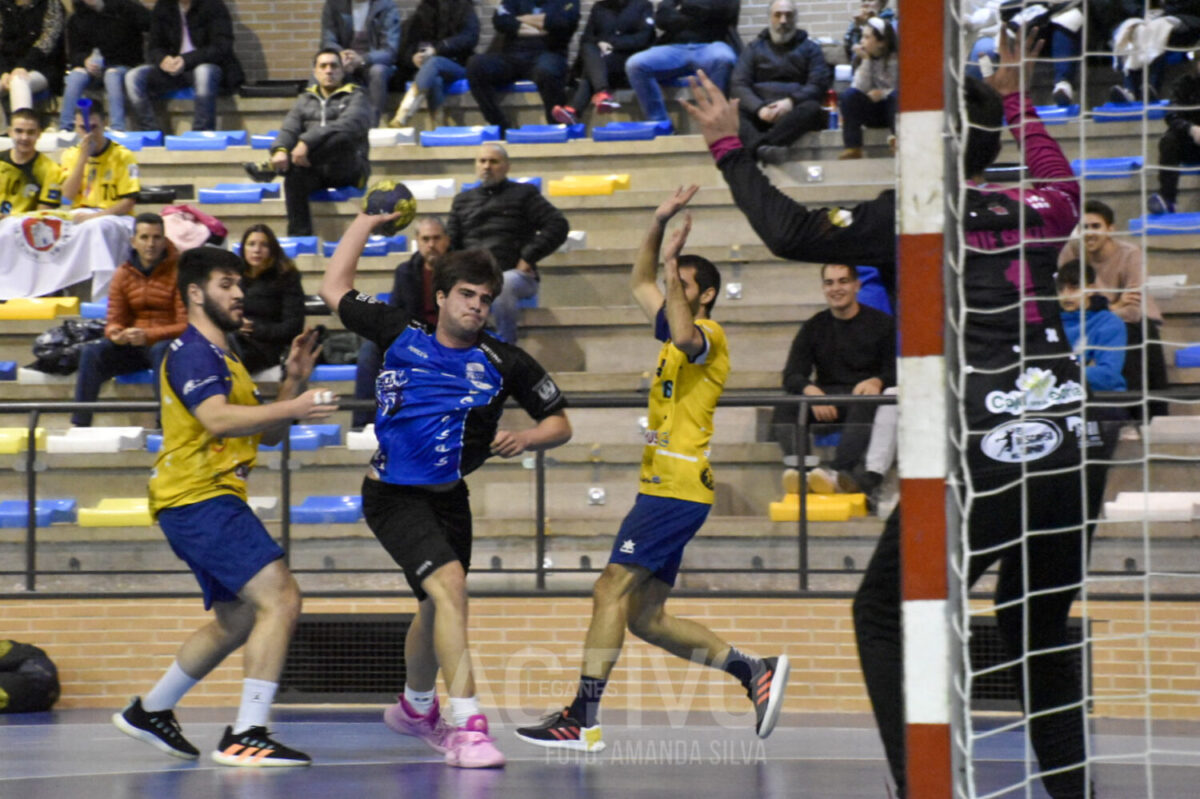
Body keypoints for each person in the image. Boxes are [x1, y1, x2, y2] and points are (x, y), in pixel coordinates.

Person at [682, 29, 1098, 797]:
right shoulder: (1044, 205)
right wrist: (1015, 100)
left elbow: (790, 232)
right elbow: (1056, 173)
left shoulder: (911, 214)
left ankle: (922, 785)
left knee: (880, 610)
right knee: (1035, 626)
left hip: (984, 448)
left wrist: (728, 149)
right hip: (1072, 446)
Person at [514, 186, 790, 752]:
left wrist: (671, 263)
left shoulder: (708, 336)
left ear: (706, 294)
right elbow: (639, 281)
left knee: (608, 588)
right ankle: (752, 670)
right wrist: (658, 224)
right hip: (667, 488)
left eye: (682, 285)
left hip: (677, 487)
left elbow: (685, 331)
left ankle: (581, 717)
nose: (669, 290)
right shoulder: (673, 328)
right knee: (646, 618)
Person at [319, 211, 572, 769]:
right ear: (441, 296)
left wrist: (528, 437)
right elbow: (332, 286)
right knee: (451, 588)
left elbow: (560, 423)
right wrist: (364, 221)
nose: (476, 306)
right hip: (392, 495)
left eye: (485, 298)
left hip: (450, 498)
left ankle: (415, 709)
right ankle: (468, 726)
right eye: (466, 294)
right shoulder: (399, 331)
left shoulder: (505, 362)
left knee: (435, 608)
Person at [112, 247, 336, 767]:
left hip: (202, 499)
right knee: (281, 597)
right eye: (226, 284)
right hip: (198, 496)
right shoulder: (191, 352)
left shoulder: (227, 359)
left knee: (237, 619)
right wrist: (298, 404)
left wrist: (293, 381)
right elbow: (216, 419)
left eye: (240, 285)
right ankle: (248, 733)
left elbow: (269, 433)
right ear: (195, 293)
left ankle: (151, 710)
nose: (240, 294)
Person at [780, 263, 895, 500]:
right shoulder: (814, 326)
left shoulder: (882, 323)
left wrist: (877, 381)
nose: (836, 288)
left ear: (857, 285)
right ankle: (803, 473)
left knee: (865, 400)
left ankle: (836, 472)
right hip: (827, 399)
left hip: (863, 399)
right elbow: (791, 374)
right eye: (829, 283)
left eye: (843, 281)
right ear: (823, 288)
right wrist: (811, 391)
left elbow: (896, 371)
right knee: (785, 408)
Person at [445, 143, 568, 343]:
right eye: (482, 161)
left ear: (507, 166)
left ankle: (506, 349)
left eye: (493, 161)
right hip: (472, 277)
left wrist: (528, 257)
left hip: (515, 275)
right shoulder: (462, 201)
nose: (487, 166)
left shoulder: (525, 194)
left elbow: (558, 225)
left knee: (504, 284)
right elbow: (451, 243)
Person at [1056, 198, 1168, 419]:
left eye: (1095, 226)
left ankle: (1140, 417)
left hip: (1134, 321)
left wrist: (1104, 309)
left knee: (1134, 333)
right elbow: (1068, 298)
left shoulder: (1130, 254)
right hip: (1091, 319)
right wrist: (1116, 304)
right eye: (1084, 227)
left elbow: (1133, 311)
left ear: (1110, 229)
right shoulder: (1071, 252)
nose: (1089, 233)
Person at [71, 213, 183, 427]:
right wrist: (116, 333)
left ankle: (166, 425)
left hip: (169, 345)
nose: (150, 244)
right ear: (133, 241)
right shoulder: (122, 274)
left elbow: (186, 325)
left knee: (162, 350)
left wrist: (147, 335)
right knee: (92, 352)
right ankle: (80, 424)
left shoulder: (181, 272)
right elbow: (115, 319)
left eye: (156, 237)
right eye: (144, 237)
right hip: (134, 345)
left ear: (164, 240)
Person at [252, 49, 371, 237]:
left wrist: (306, 142)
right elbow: (290, 128)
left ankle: (278, 169)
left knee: (342, 138)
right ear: (315, 72)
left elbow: (351, 125)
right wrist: (280, 150)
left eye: (334, 66)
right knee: (294, 178)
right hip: (313, 168)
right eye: (323, 66)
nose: (329, 71)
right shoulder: (305, 99)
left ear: (342, 71)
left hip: (347, 169)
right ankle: (300, 239)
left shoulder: (357, 95)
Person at [352, 215, 450, 429]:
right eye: (426, 239)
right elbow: (396, 313)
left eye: (436, 238)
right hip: (414, 336)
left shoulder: (460, 272)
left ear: (447, 240)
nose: (431, 245)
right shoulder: (405, 272)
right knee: (370, 350)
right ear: (417, 241)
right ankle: (362, 425)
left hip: (448, 338)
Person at [730, 0, 830, 165]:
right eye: (778, 15)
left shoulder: (811, 49)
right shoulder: (753, 48)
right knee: (734, 111)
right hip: (761, 111)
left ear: (795, 18)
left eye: (788, 15)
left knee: (813, 108)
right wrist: (759, 108)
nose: (783, 21)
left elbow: (818, 84)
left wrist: (790, 102)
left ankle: (761, 147)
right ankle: (766, 148)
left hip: (794, 112)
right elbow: (739, 84)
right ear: (770, 18)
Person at [125, 0, 244, 133]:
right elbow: (154, 47)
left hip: (208, 67)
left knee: (203, 72)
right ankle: (151, 132)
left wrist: (186, 60)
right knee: (133, 77)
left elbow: (222, 47)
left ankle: (201, 132)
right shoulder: (163, 7)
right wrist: (163, 59)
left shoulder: (213, 5)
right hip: (175, 70)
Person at [624, 0, 740, 133]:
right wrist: (701, 15)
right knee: (635, 64)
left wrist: (683, 7)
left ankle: (717, 120)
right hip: (675, 47)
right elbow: (661, 19)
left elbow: (726, 11)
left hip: (712, 44)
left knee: (725, 58)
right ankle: (661, 124)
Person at [466, 0, 580, 133]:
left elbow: (562, 22)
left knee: (547, 70)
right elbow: (501, 21)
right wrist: (542, 26)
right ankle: (500, 125)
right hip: (512, 56)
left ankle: (556, 127)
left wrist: (520, 21)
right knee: (476, 64)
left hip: (548, 53)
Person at [549, 0, 655, 126]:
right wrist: (600, 43)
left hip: (627, 63)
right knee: (588, 48)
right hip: (602, 64)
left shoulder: (643, 5)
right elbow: (587, 38)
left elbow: (644, 38)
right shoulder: (599, 8)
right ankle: (602, 93)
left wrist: (612, 43)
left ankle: (575, 110)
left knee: (591, 67)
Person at [59, 0, 151, 133]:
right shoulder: (76, 18)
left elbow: (148, 25)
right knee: (75, 76)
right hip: (92, 68)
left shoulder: (125, 9)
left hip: (122, 65)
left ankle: (117, 127)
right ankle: (65, 129)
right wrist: (85, 61)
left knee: (111, 75)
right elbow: (74, 54)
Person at [390, 0, 479, 128]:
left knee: (434, 62)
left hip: (459, 65)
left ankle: (404, 111)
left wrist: (438, 49)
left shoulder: (463, 8)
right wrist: (413, 58)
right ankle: (438, 126)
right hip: (430, 71)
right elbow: (406, 48)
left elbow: (470, 38)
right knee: (435, 80)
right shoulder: (423, 12)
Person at [233, 224, 306, 375]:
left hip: (269, 348)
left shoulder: (286, 277)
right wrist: (236, 326)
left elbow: (293, 327)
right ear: (243, 249)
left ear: (273, 249)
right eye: (251, 244)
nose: (257, 250)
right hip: (236, 340)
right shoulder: (235, 277)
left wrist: (254, 329)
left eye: (264, 245)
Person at [319, 0, 401, 126]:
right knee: (322, 70)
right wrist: (341, 56)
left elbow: (390, 50)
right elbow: (328, 41)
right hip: (344, 61)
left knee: (378, 71)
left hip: (372, 62)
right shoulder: (334, 4)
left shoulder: (385, 5)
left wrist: (362, 59)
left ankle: (371, 126)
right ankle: (321, 125)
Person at [57, 99, 139, 221]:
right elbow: (66, 198)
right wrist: (83, 158)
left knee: (97, 225)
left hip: (116, 216)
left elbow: (128, 202)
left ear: (105, 123)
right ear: (76, 127)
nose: (88, 134)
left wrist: (94, 217)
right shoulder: (70, 155)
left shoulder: (124, 155)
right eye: (83, 128)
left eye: (93, 127)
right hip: (80, 212)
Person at [1056, 259, 1127, 393]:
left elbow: (1107, 375)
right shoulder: (1050, 323)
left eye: (1074, 288)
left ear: (1091, 289)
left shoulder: (1109, 323)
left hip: (1102, 397)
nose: (1065, 296)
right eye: (1061, 289)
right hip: (1058, 396)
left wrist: (1057, 372)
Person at [839, 16, 897, 160]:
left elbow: (906, 90)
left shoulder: (897, 59)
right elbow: (859, 88)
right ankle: (853, 147)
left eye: (866, 37)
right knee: (849, 95)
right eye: (862, 37)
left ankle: (898, 141)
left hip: (893, 111)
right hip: (872, 112)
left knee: (895, 96)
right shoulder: (863, 58)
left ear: (881, 42)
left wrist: (883, 94)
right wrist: (866, 60)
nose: (861, 41)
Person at [0, 0, 63, 128]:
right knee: (13, 79)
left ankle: (23, 130)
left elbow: (47, 43)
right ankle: (3, 132)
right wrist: (4, 72)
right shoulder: (3, 5)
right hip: (8, 68)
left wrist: (22, 66)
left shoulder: (51, 4)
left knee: (18, 81)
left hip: (42, 67)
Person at [1148, 69, 1200, 216]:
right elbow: (1171, 115)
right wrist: (1191, 129)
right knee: (1169, 140)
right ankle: (1167, 200)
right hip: (1190, 144)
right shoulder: (1184, 83)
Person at [0, 108, 62, 217]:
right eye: (19, 131)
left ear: (39, 134)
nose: (24, 137)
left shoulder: (51, 170)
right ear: (10, 132)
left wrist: (10, 219)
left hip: (24, 225)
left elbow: (43, 215)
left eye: (31, 132)